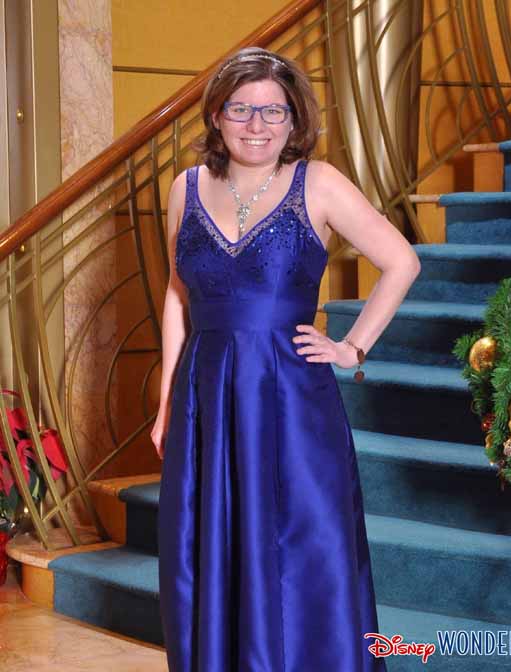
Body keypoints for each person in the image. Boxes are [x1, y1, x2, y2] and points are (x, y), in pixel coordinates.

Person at [152, 45, 420, 672]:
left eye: (274, 111)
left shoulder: (318, 183)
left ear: (294, 119)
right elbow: (176, 294)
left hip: (292, 397)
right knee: (206, 546)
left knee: (308, 546)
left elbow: (401, 261)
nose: (258, 125)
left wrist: (351, 346)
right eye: (241, 109)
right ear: (216, 115)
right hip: (205, 395)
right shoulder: (184, 188)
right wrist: (166, 402)